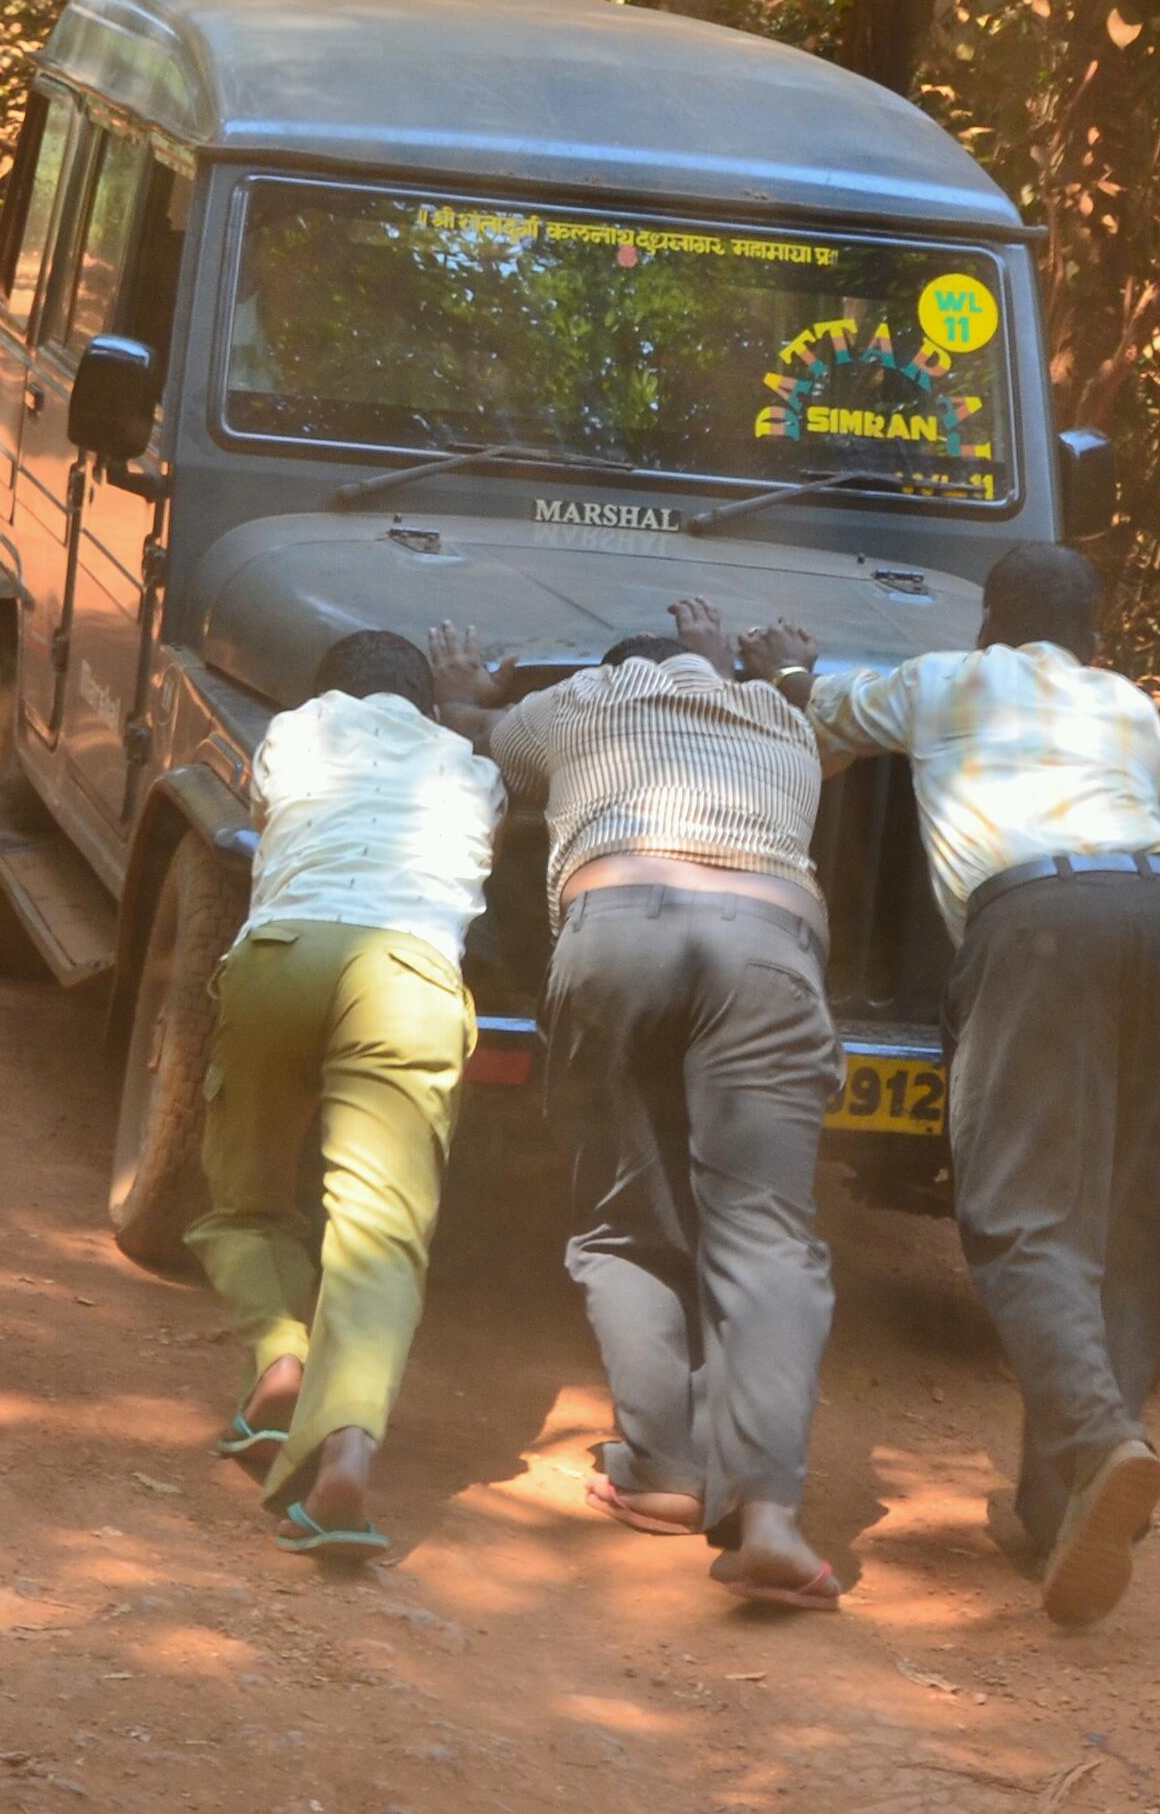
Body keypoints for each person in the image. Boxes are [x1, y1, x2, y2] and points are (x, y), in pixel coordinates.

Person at [745, 542, 1160, 1628]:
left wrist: (782, 671)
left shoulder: (954, 681)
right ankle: (1062, 1516)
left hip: (1040, 931)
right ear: (1093, 639)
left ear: (987, 627)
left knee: (1017, 1213)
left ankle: (1101, 1442)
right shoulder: (1130, 708)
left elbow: (818, 718)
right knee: (1130, 1217)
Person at [432, 603, 845, 1610]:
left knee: (622, 1223)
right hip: (769, 946)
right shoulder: (786, 721)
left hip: (617, 920)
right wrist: (774, 672)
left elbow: (480, 749)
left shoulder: (583, 699)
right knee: (765, 1235)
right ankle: (772, 1523)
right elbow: (779, 694)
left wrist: (464, 691)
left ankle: (662, 1474)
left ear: (618, 673)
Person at [187, 628, 506, 1558]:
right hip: (410, 975)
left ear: (330, 687)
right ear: (424, 701)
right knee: (380, 1236)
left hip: (283, 954)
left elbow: (269, 812)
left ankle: (281, 1357)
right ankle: (347, 1462)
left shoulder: (294, 734)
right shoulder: (467, 765)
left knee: (243, 1199)